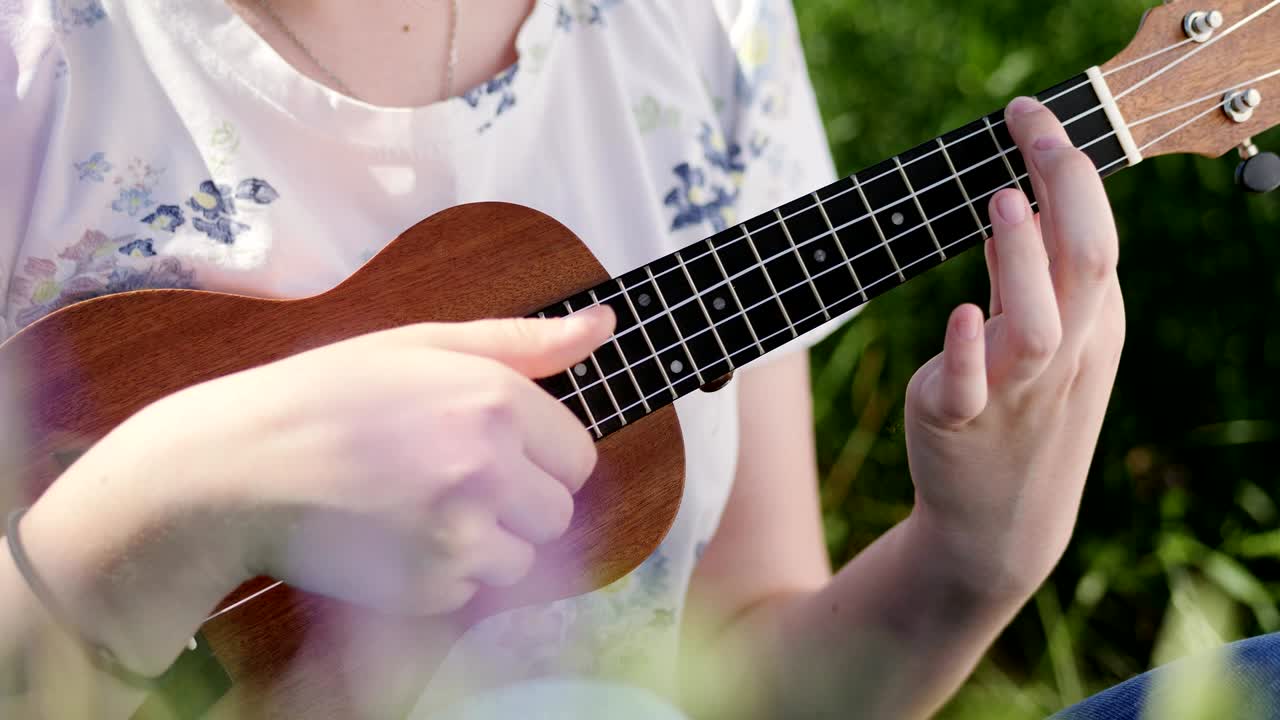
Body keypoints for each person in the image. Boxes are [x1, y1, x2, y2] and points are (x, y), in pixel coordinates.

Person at [0, 0, 1126, 718]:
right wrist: (184, 498)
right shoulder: (39, 55)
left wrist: (969, 562)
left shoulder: (701, 30)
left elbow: (744, 676)